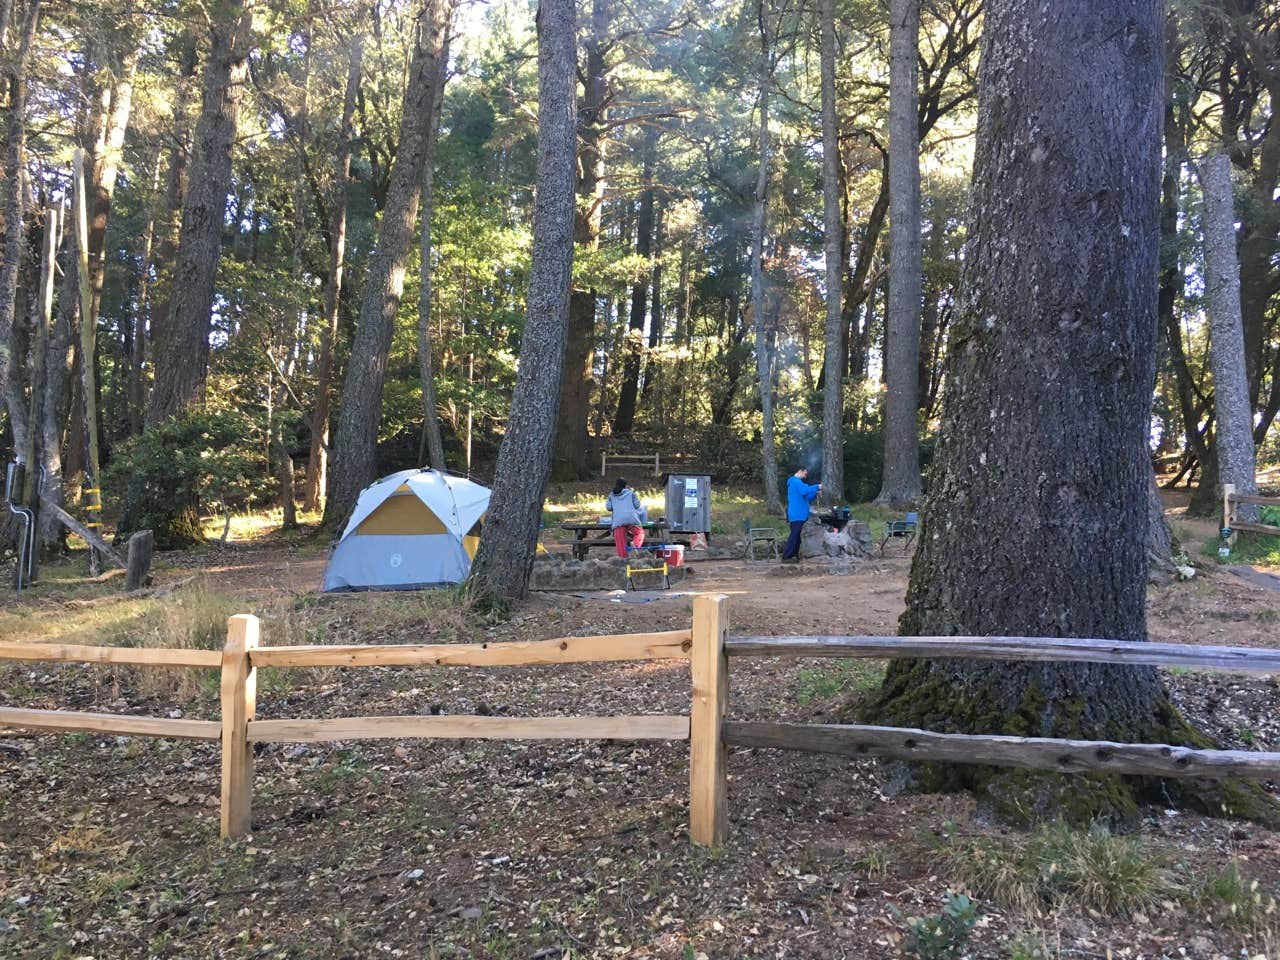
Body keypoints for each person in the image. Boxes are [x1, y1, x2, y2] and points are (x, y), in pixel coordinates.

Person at [782, 466, 821, 563]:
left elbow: (806, 497)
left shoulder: (797, 483)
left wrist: (815, 493)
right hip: (797, 514)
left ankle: (794, 556)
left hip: (800, 514)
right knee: (794, 536)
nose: (805, 476)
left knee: (797, 537)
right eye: (805, 473)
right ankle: (786, 556)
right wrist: (817, 486)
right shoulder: (795, 481)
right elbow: (804, 491)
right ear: (800, 471)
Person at [606, 477, 647, 558]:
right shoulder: (631, 493)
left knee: (620, 543)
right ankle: (635, 545)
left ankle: (623, 560)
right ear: (625, 485)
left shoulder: (611, 495)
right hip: (632, 519)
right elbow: (637, 505)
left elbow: (609, 508)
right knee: (639, 533)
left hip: (618, 521)